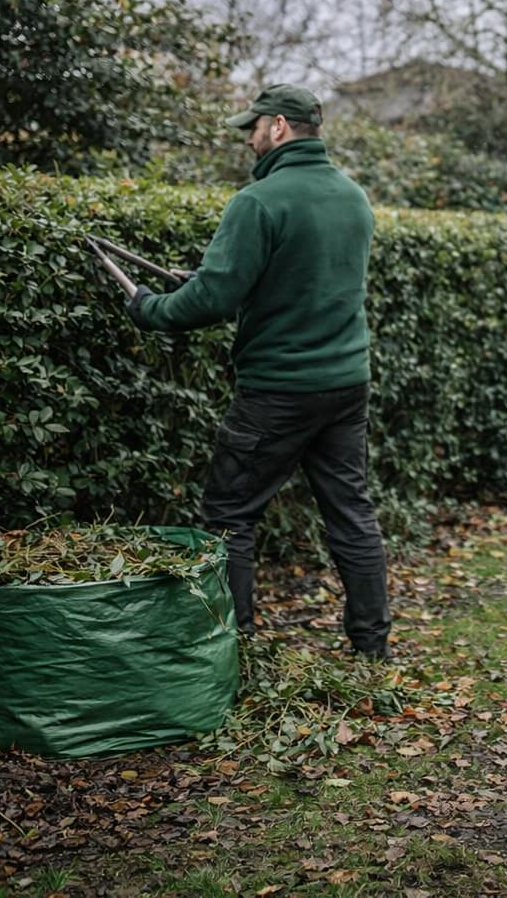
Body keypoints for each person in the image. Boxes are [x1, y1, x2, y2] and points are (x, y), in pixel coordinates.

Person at [125, 83, 392, 658]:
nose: (248, 139)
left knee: (227, 515)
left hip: (278, 389)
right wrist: (201, 285)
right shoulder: (353, 196)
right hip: (347, 384)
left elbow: (215, 300)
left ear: (277, 127)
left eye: (253, 127)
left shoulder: (259, 201)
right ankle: (372, 649)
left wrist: (151, 309)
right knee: (351, 512)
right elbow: (298, 284)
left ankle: (235, 652)